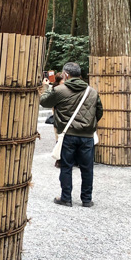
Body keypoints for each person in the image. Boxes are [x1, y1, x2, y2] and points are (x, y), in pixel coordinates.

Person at [40, 62, 103, 207]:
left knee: (66, 167)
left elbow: (44, 102)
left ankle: (66, 198)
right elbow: (99, 112)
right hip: (87, 136)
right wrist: (88, 125)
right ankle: (87, 199)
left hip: (68, 134)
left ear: (66, 75)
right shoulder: (92, 91)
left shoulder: (61, 90)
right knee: (87, 168)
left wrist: (46, 87)